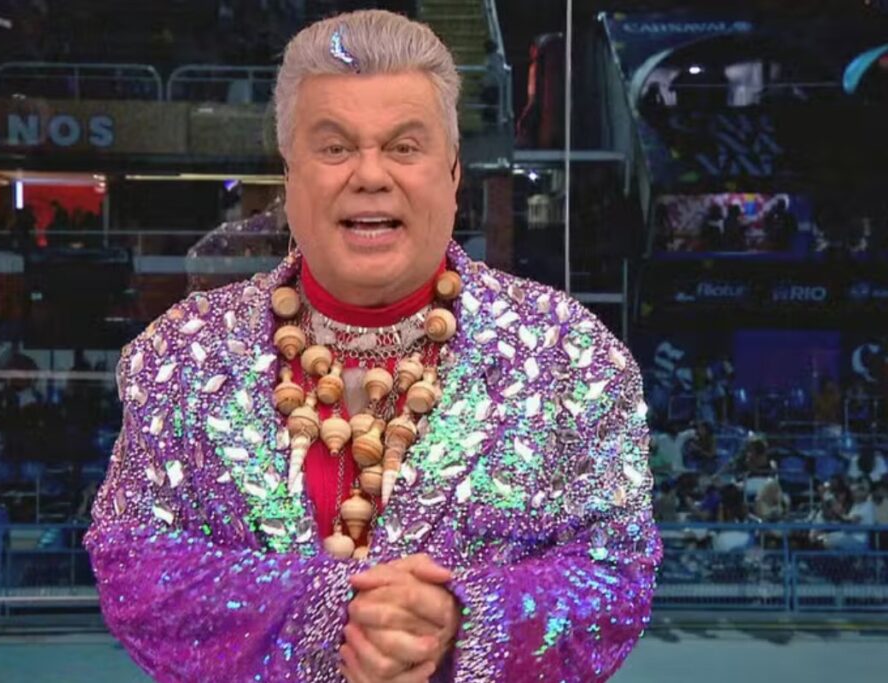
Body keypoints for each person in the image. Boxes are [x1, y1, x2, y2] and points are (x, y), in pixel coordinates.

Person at [85, 10, 659, 682]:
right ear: (290, 174)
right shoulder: (180, 356)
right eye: (334, 148)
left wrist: (462, 620)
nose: (370, 174)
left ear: (452, 173)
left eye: (404, 147)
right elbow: (133, 561)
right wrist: (332, 612)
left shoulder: (572, 356)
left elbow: (615, 571)